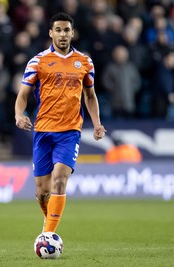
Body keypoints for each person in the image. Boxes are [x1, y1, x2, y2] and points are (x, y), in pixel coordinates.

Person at [15, 13, 106, 233]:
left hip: (70, 131)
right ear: (50, 33)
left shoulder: (85, 62)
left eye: (66, 30)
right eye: (58, 30)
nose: (63, 34)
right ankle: (48, 222)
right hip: (43, 131)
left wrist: (96, 123)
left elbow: (90, 96)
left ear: (72, 33)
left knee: (60, 179)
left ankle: (48, 234)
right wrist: (19, 114)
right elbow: (23, 95)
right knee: (42, 191)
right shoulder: (38, 61)